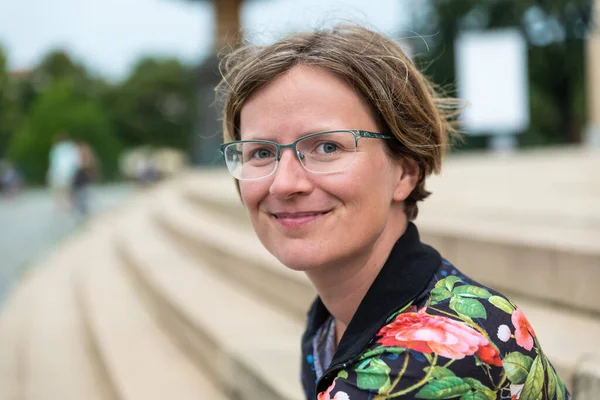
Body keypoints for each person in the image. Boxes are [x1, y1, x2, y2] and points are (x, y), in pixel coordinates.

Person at [217, 25, 569, 399]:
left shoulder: (422, 368)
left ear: (404, 172)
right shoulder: (334, 321)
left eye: (327, 148)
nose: (284, 184)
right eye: (261, 152)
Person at [47, 132, 80, 211]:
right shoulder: (71, 147)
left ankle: (59, 205)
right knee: (69, 189)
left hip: (59, 171)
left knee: (58, 189)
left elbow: (53, 161)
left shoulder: (57, 148)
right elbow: (75, 160)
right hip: (69, 172)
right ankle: (69, 205)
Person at [72, 139, 98, 215]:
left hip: (82, 173)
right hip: (80, 173)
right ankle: (81, 207)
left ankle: (81, 207)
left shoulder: (78, 152)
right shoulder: (81, 152)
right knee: (81, 191)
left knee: (82, 191)